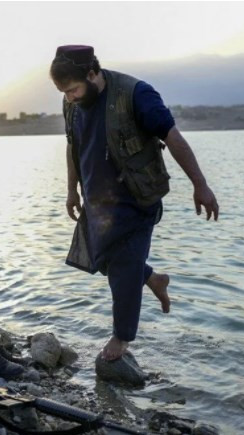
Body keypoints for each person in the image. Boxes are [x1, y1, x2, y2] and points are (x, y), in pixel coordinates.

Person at [50, 45, 219, 361]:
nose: (70, 97)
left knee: (124, 267)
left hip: (137, 199)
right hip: (98, 199)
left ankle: (121, 338)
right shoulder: (71, 104)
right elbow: (72, 145)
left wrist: (200, 184)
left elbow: (174, 138)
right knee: (102, 258)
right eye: (64, 92)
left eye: (73, 89)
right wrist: (71, 190)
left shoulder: (135, 94)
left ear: (91, 73)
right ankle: (153, 278)